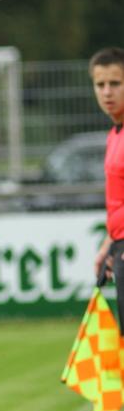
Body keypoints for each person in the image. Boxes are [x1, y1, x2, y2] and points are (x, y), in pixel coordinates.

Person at [90, 47, 124, 326]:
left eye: (115, 83)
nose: (107, 92)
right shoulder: (115, 134)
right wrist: (110, 243)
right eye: (100, 84)